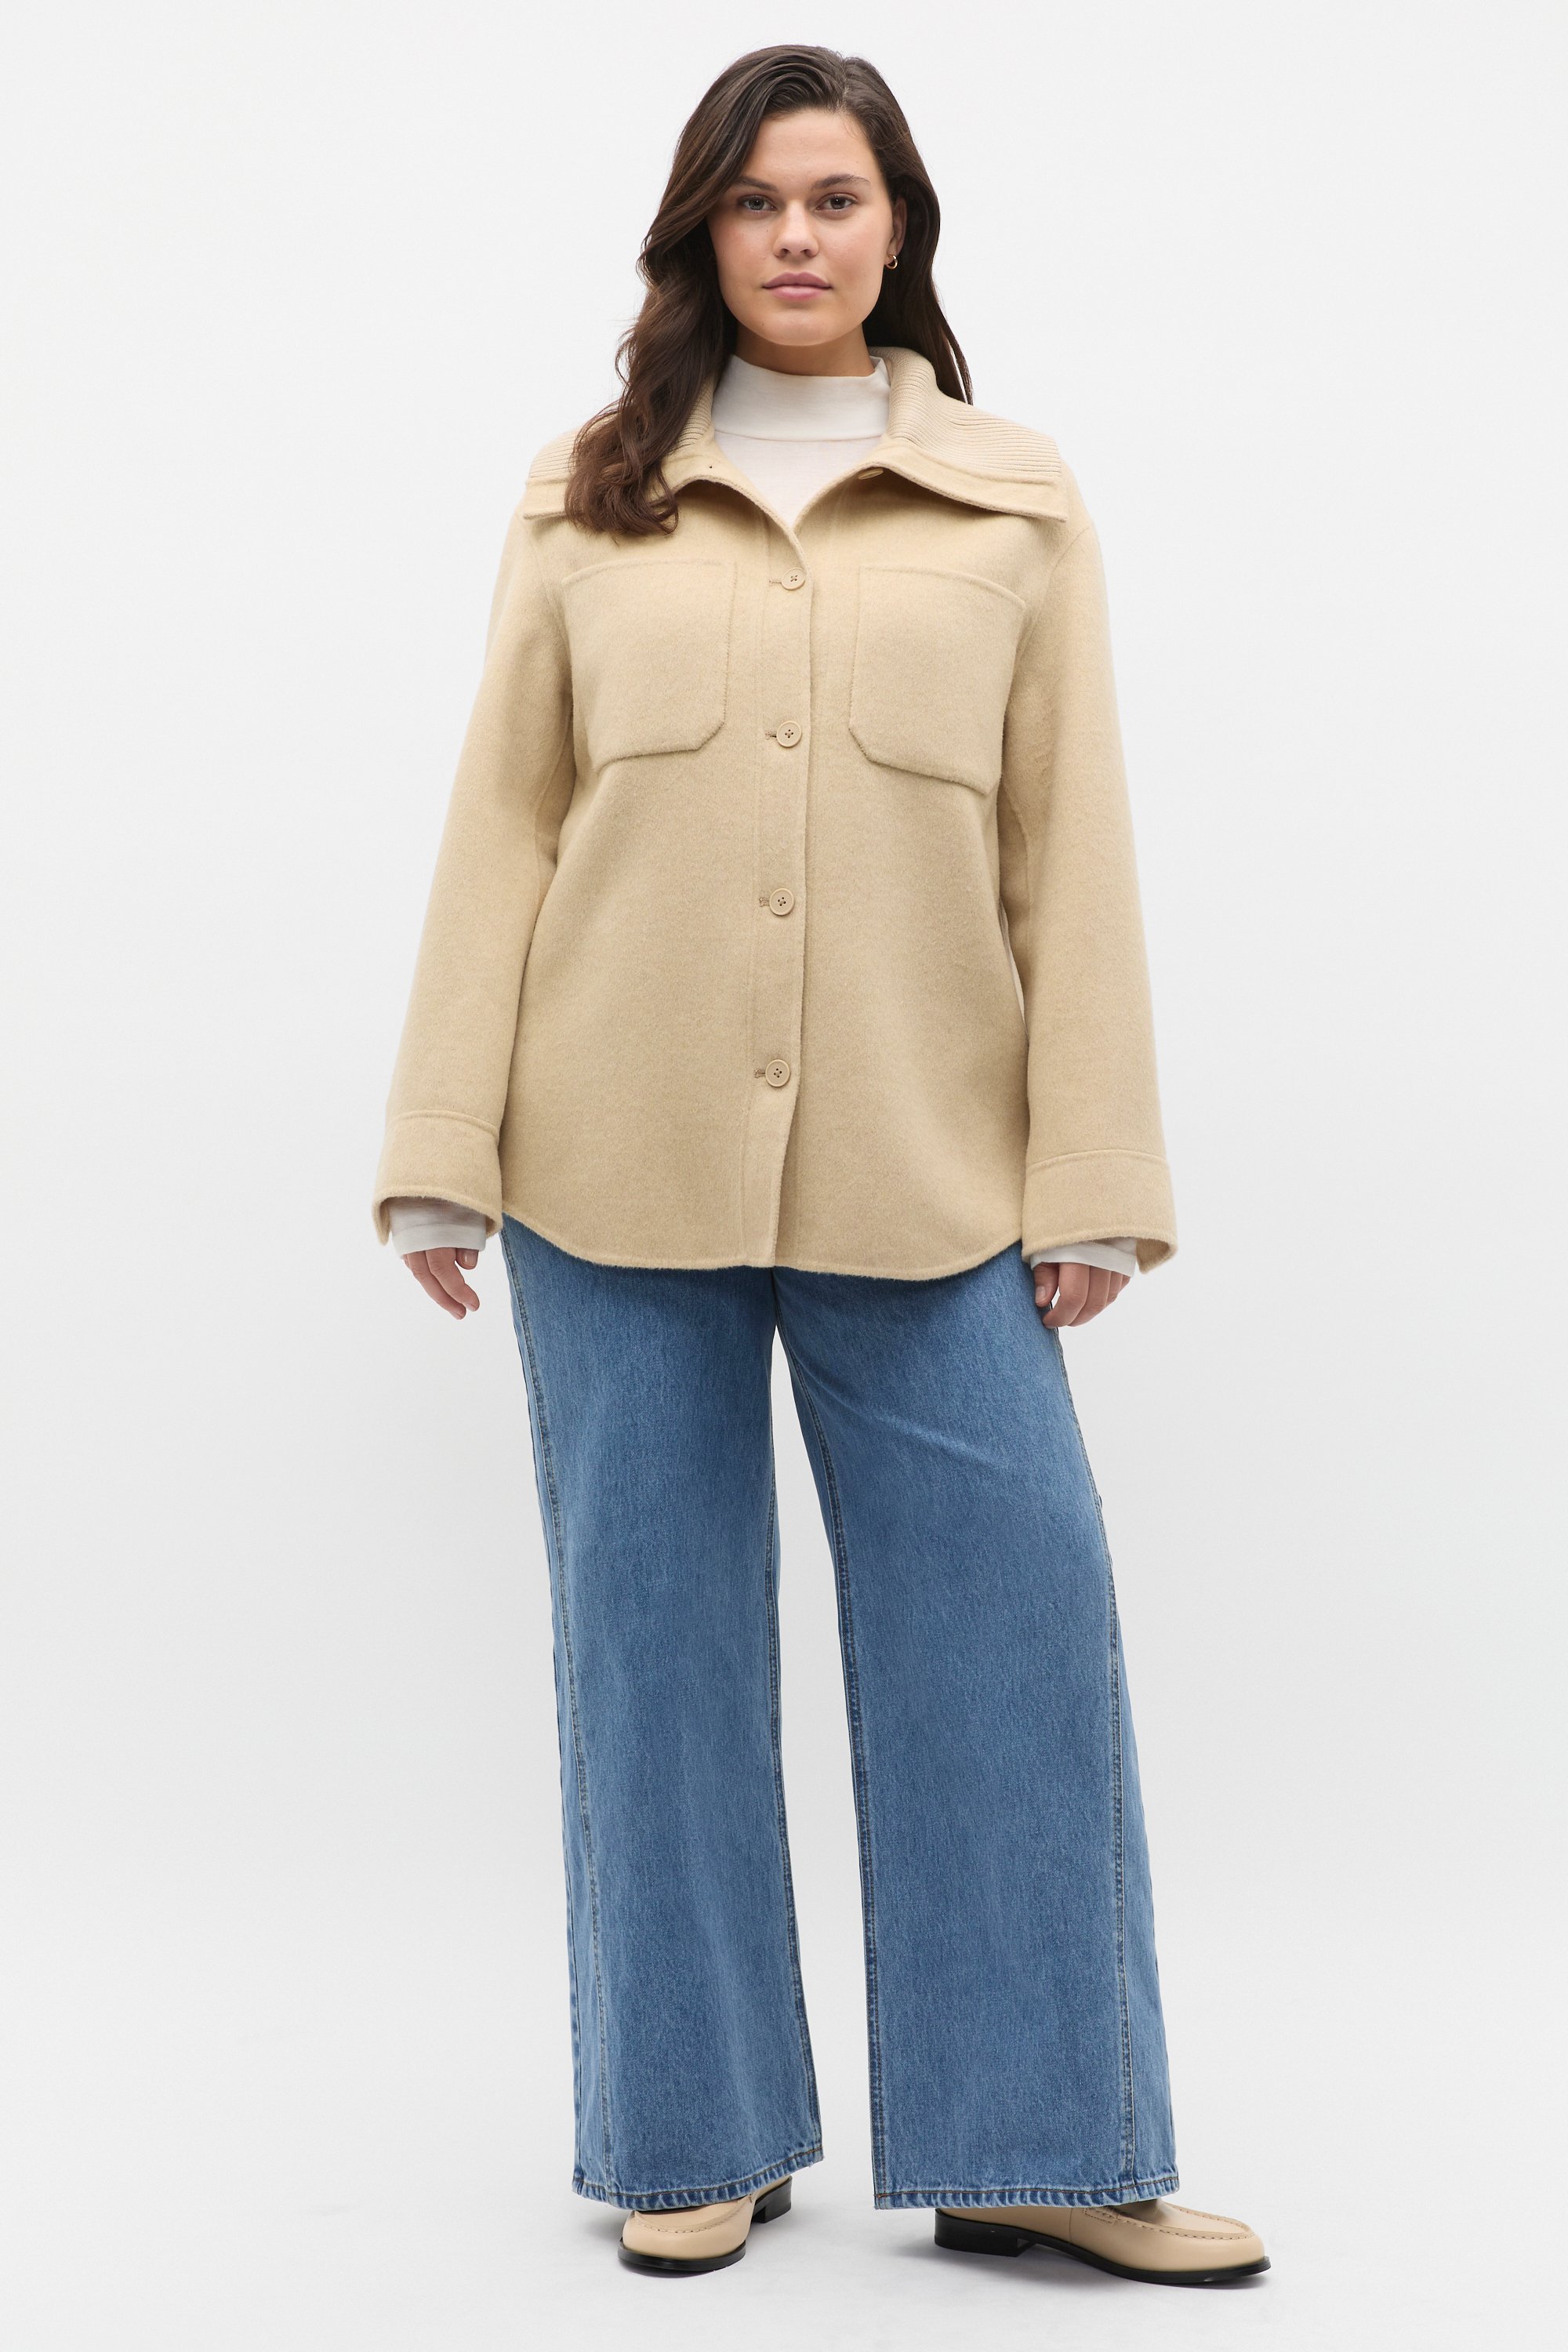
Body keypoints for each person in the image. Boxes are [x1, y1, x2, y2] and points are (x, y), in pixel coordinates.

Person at [371, 43, 1269, 2289]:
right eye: (759, 199)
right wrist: (440, 1150)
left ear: (897, 229)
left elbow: (1074, 848)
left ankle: (1044, 2145)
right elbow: (505, 827)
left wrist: (1093, 1173)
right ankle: (693, 2131)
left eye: (836, 198)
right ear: (704, 228)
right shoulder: (587, 499)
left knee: (1015, 1630)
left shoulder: (1013, 503)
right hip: (608, 1160)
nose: (796, 235)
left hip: (930, 1163)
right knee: (653, 1655)